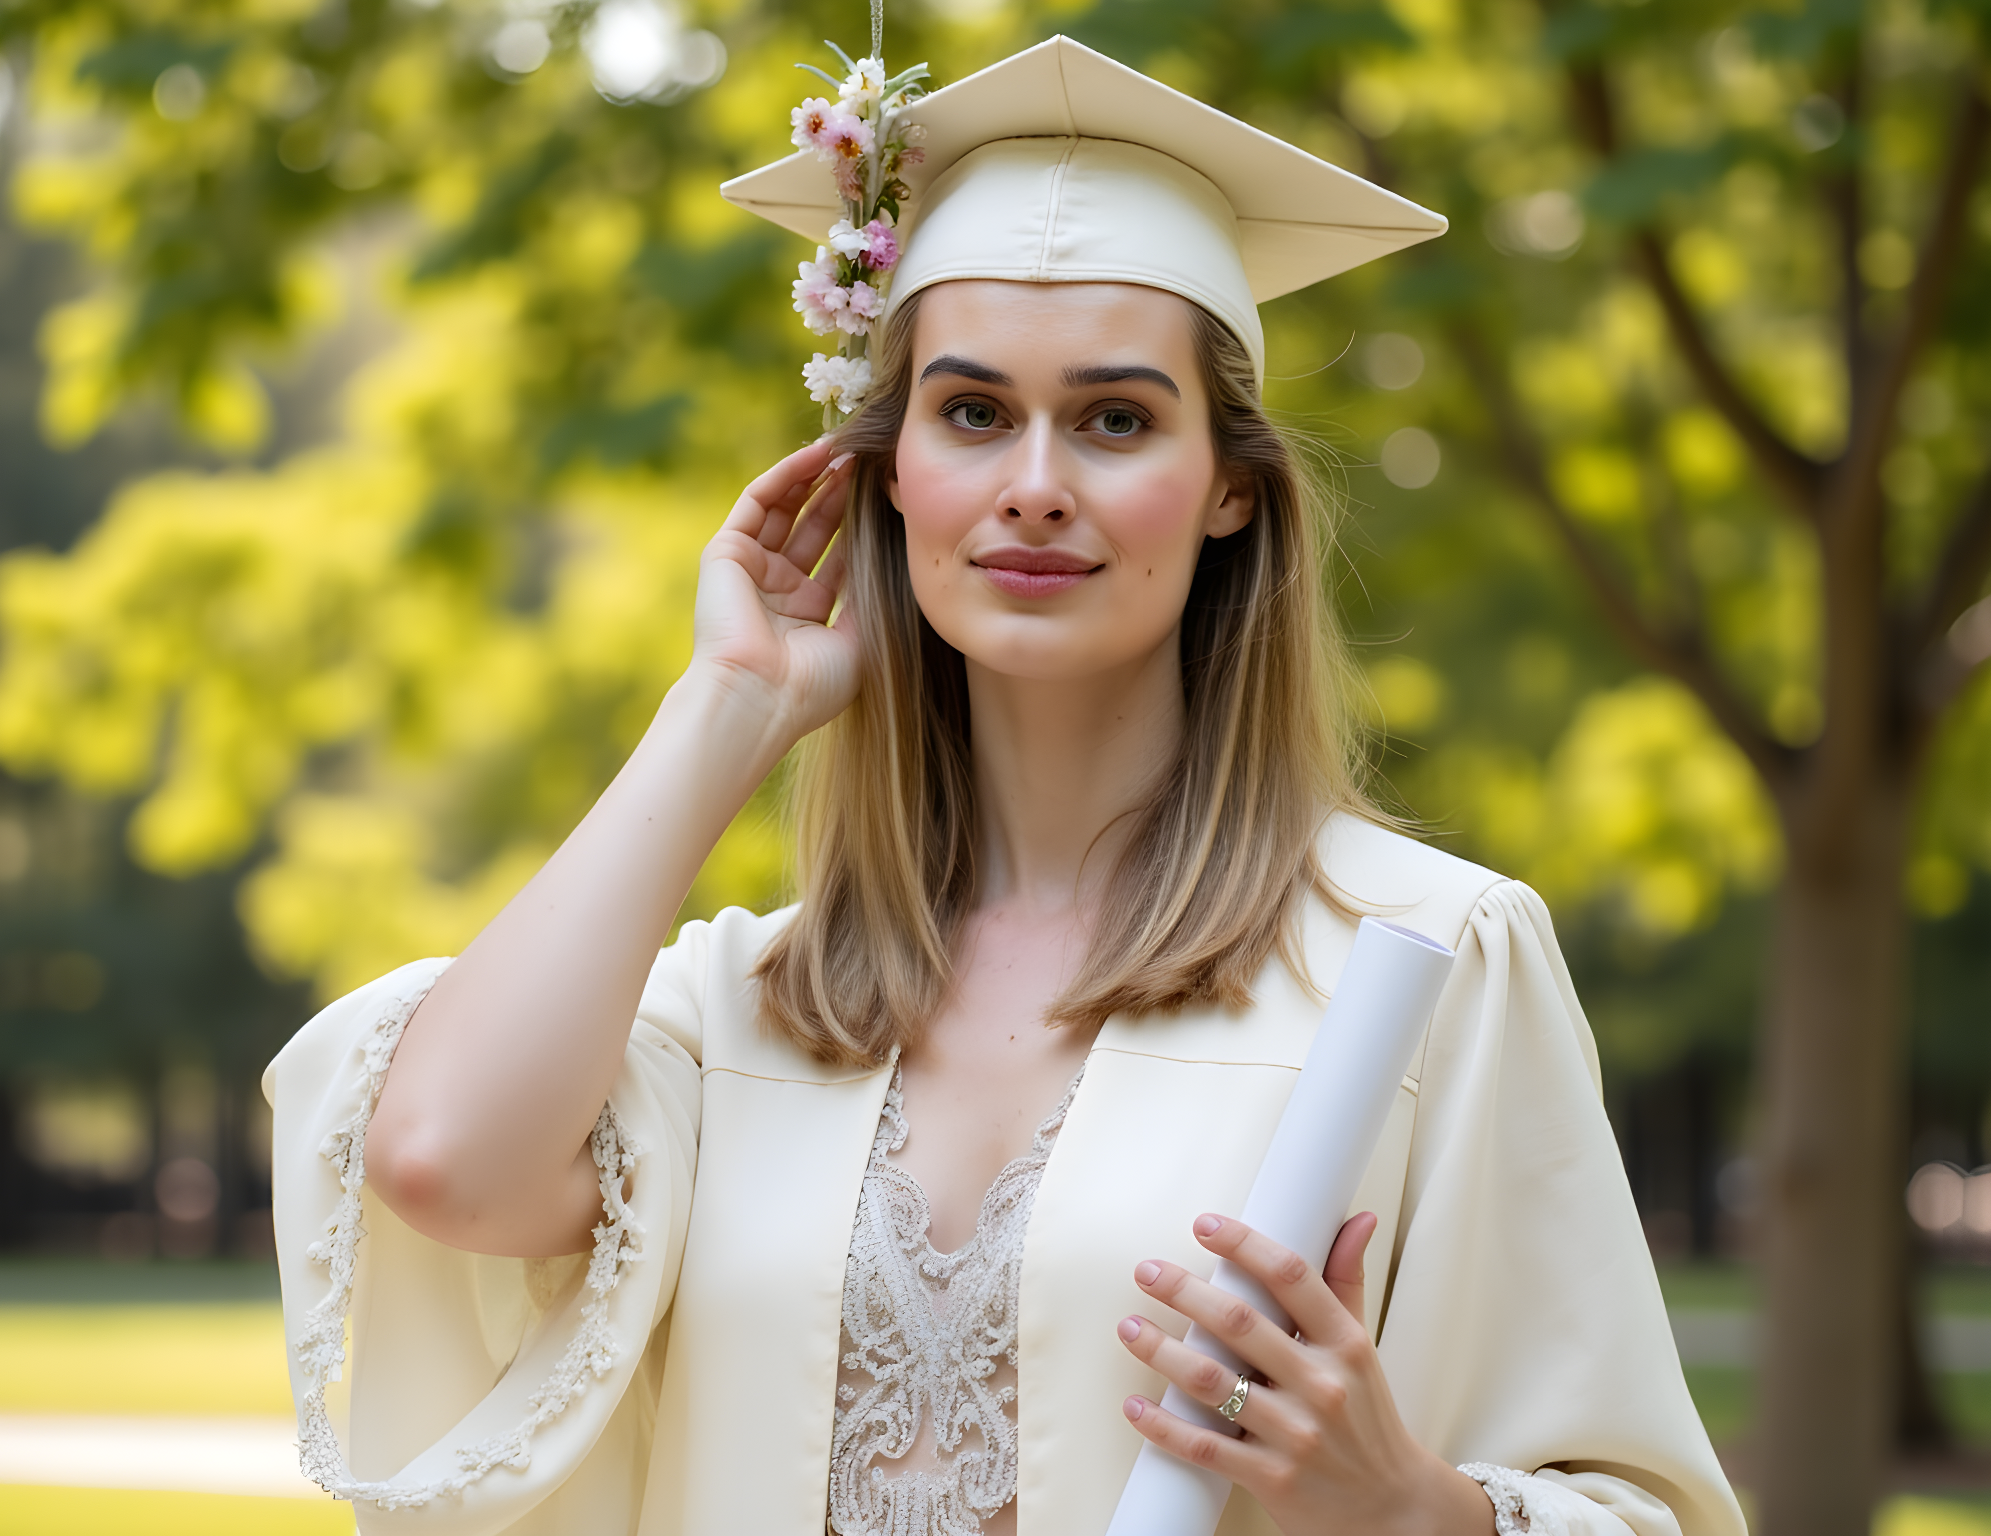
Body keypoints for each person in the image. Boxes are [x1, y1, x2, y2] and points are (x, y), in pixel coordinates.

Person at [263, 36, 1746, 1536]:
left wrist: (1406, 1506)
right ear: (888, 471)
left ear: (1230, 485)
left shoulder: (1423, 960)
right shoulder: (744, 1009)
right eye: (972, 413)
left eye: (1116, 419)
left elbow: (1641, 1512)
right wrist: (729, 707)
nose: (1036, 480)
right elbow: (442, 1162)